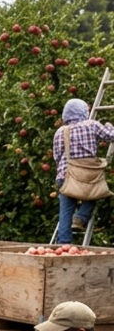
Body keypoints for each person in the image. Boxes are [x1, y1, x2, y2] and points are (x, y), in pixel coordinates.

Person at [53, 97, 114, 243]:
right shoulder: (91, 125)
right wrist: (109, 126)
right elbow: (111, 136)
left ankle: (64, 244)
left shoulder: (61, 131)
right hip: (88, 175)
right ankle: (80, 218)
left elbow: (57, 156)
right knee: (96, 192)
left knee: (65, 212)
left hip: (65, 175)